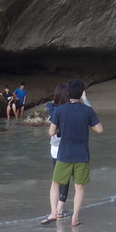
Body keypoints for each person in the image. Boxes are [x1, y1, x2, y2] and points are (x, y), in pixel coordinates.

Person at [42, 79, 102, 227]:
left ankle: (54, 213)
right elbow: (99, 129)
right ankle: (75, 218)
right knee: (79, 187)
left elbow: (51, 132)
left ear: (68, 93)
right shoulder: (88, 111)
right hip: (82, 155)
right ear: (81, 94)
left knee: (56, 184)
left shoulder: (60, 110)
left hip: (64, 155)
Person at [45, 83, 72, 219]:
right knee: (65, 179)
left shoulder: (53, 109)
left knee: (56, 180)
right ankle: (60, 210)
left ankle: (53, 211)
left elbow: (52, 131)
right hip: (66, 147)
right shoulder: (68, 110)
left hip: (54, 148)